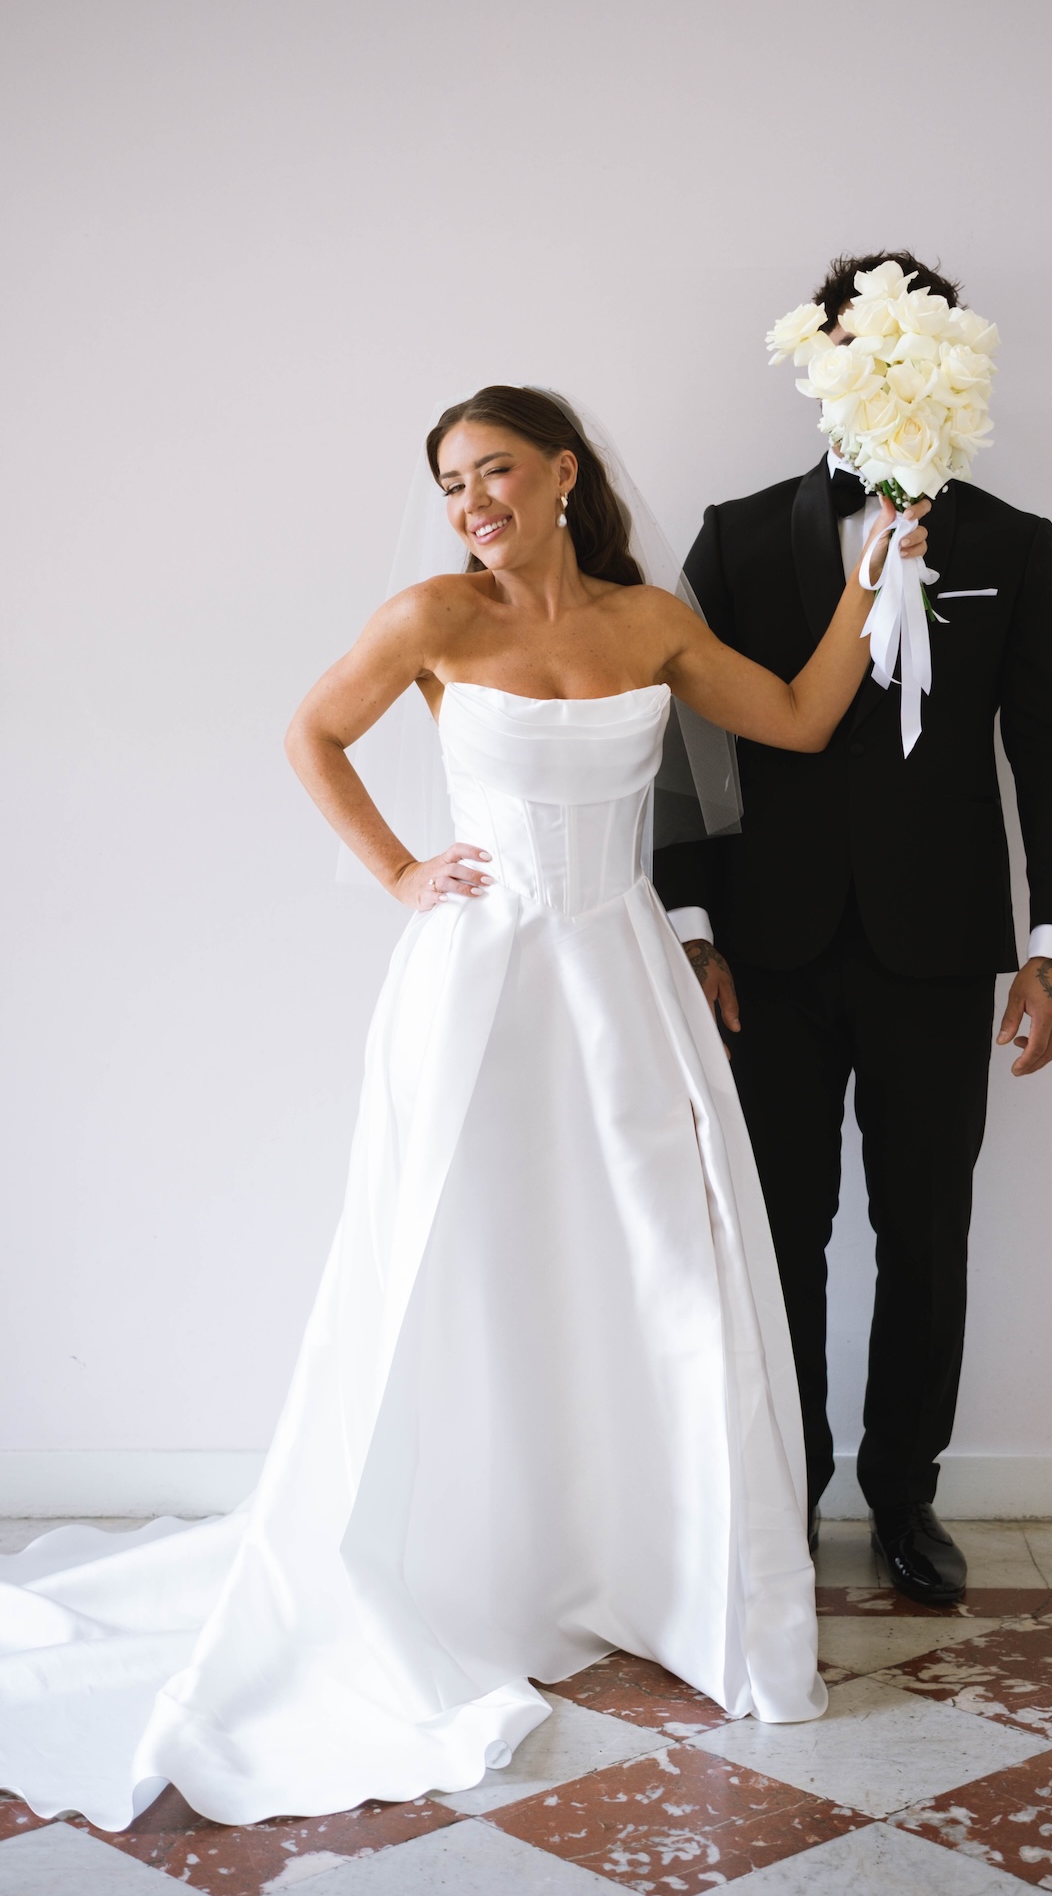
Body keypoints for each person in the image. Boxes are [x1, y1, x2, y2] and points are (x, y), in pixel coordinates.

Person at [0, 385, 932, 1832]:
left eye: (494, 470)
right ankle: (469, 1560)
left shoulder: (649, 623)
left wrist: (870, 578)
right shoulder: (433, 616)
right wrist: (398, 872)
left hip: (622, 977)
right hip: (478, 985)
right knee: (463, 1257)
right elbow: (312, 733)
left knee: (657, 1263)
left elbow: (804, 720)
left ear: (563, 472)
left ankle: (658, 1569)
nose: (470, 501)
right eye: (449, 482)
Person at [654, 254, 1052, 1606]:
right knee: (780, 1230)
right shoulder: (736, 537)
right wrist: (690, 923)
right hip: (765, 951)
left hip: (938, 946)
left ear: (947, 368)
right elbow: (684, 747)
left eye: (909, 352)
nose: (886, 372)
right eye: (862, 349)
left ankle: (905, 1494)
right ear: (825, 365)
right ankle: (781, 1493)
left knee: (926, 1228)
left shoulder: (1013, 544)